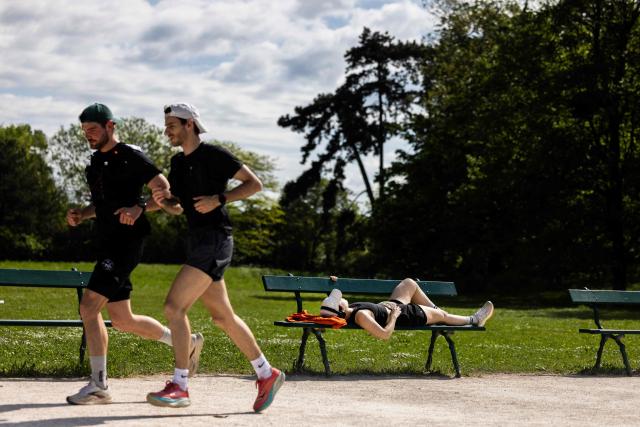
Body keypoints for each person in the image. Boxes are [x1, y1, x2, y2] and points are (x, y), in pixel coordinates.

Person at [147, 103, 284, 412]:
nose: (166, 130)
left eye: (171, 124)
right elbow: (178, 206)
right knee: (222, 316)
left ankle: (180, 385)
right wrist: (159, 203)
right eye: (166, 124)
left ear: (190, 124)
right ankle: (267, 373)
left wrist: (219, 199)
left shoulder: (215, 155)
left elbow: (254, 184)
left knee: (173, 307)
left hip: (215, 240)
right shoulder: (178, 163)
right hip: (198, 242)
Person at [65, 103, 204, 405]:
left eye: (93, 129)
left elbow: (162, 188)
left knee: (88, 308)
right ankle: (186, 343)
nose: (88, 135)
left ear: (110, 126)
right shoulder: (94, 164)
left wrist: (139, 207)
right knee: (123, 319)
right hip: (107, 242)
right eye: (85, 130)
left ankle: (98, 385)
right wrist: (82, 214)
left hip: (125, 244)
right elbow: (102, 206)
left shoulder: (130, 156)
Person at [320, 278, 494, 340]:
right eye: (340, 301)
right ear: (341, 309)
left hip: (394, 305)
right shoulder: (361, 316)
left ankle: (437, 312)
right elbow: (384, 335)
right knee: (442, 315)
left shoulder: (351, 309)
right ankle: (474, 320)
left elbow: (327, 316)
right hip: (406, 315)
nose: (342, 299)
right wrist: (394, 316)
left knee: (409, 283)